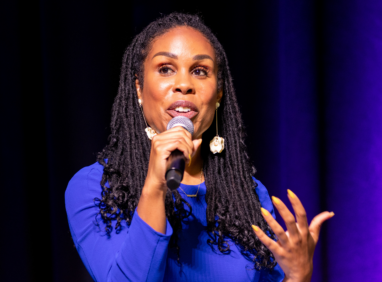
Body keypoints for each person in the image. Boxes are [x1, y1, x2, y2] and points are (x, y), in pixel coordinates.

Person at [65, 13, 333, 282]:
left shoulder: (249, 196)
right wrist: (155, 187)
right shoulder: (96, 188)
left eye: (200, 71)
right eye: (166, 68)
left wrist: (299, 275)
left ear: (218, 95)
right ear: (138, 87)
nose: (184, 84)